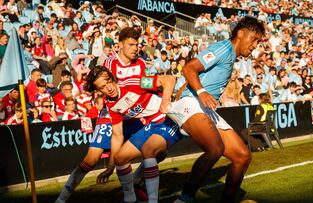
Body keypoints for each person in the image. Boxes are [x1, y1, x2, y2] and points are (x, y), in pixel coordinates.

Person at [169, 16, 265, 203]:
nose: (255, 46)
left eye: (258, 42)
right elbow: (189, 68)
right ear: (240, 33)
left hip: (203, 106)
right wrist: (202, 92)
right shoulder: (223, 48)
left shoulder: (231, 56)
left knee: (242, 156)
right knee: (215, 149)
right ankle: (184, 199)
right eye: (254, 39)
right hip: (190, 100)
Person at [83, 66, 183, 203]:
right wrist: (110, 167)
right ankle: (130, 199)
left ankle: (153, 200)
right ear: (99, 90)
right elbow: (117, 136)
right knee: (120, 158)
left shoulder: (133, 82)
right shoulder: (111, 105)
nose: (109, 88)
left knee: (149, 151)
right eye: (102, 87)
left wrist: (165, 101)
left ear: (113, 78)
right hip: (150, 126)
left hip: (167, 119)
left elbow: (169, 79)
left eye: (109, 82)